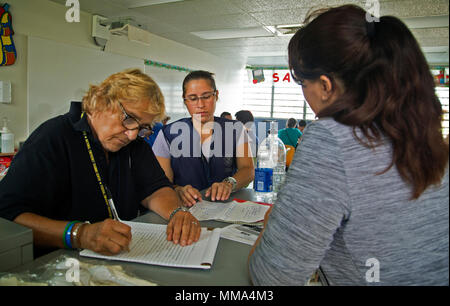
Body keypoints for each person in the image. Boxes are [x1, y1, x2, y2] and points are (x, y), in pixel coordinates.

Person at [249, 5, 449, 285]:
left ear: (325, 85)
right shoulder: (424, 133)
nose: (306, 96)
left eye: (303, 84)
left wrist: (274, 225)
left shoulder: (332, 139)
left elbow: (271, 277)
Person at [0, 69, 201, 258]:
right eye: (129, 119)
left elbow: (156, 189)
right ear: (101, 102)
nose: (132, 135)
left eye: (142, 128)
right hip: (60, 262)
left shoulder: (136, 146)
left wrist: (177, 212)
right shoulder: (53, 137)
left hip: (119, 257)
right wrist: (80, 234)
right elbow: (8, 215)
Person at [153, 71, 255, 206]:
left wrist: (229, 184)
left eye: (206, 97)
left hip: (225, 207)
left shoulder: (235, 129)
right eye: (193, 98)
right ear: (185, 100)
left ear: (216, 95)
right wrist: (177, 190)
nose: (200, 105)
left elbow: (248, 169)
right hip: (185, 209)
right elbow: (162, 182)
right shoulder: (168, 134)